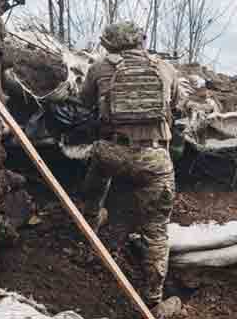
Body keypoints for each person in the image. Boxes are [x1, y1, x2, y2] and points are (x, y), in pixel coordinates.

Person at [80, 21, 192, 312]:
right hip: (152, 159)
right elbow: (179, 105)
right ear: (141, 41)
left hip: (113, 152)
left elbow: (84, 101)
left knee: (98, 162)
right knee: (156, 231)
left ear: (110, 43)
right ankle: (153, 300)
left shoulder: (100, 67)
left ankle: (90, 219)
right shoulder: (164, 68)